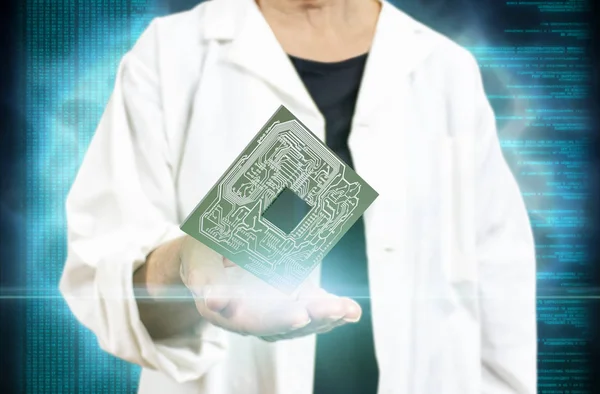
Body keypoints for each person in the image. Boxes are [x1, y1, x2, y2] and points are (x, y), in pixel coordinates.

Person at [59, 0, 537, 393]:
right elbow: (106, 284)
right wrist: (187, 264)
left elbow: (500, 281)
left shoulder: (446, 67)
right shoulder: (168, 55)